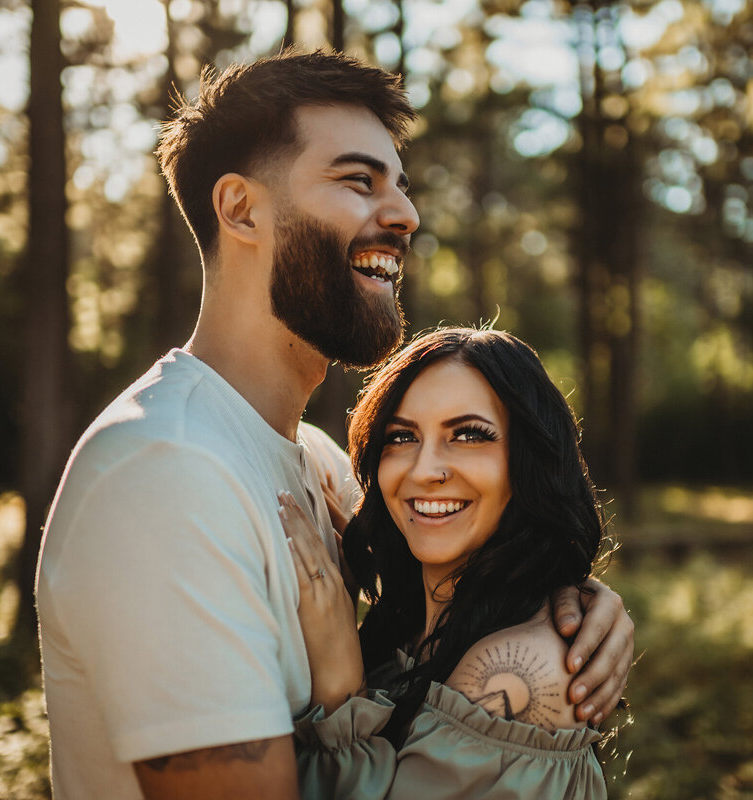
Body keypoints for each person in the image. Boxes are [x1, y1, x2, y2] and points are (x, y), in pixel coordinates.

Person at [35, 49, 633, 800]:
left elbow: (473, 552)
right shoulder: (164, 470)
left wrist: (575, 605)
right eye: (359, 181)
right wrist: (338, 693)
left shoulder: (315, 462)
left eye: (402, 187)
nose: (407, 215)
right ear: (242, 209)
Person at [282, 327, 613, 798]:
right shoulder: (410, 624)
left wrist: (339, 693)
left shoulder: (514, 676)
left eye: (469, 435)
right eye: (401, 437)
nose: (423, 470)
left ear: (528, 462)